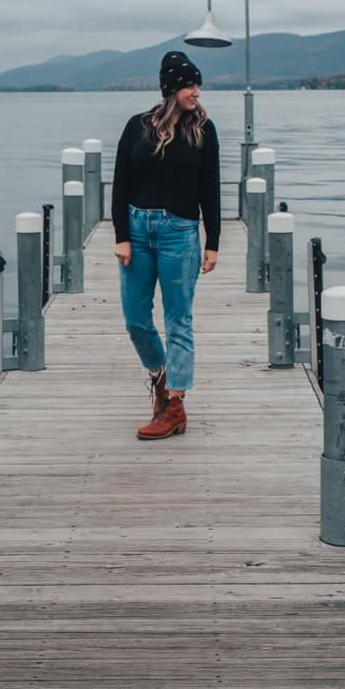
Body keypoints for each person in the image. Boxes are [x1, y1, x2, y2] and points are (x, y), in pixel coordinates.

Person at [111, 50, 220, 440]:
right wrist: (121, 236)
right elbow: (120, 185)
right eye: (190, 85)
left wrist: (214, 242)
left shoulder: (204, 131)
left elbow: (211, 189)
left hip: (180, 233)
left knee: (179, 322)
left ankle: (175, 405)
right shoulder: (136, 127)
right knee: (135, 318)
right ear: (172, 88)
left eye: (197, 84)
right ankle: (160, 376)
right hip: (138, 232)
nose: (197, 91)